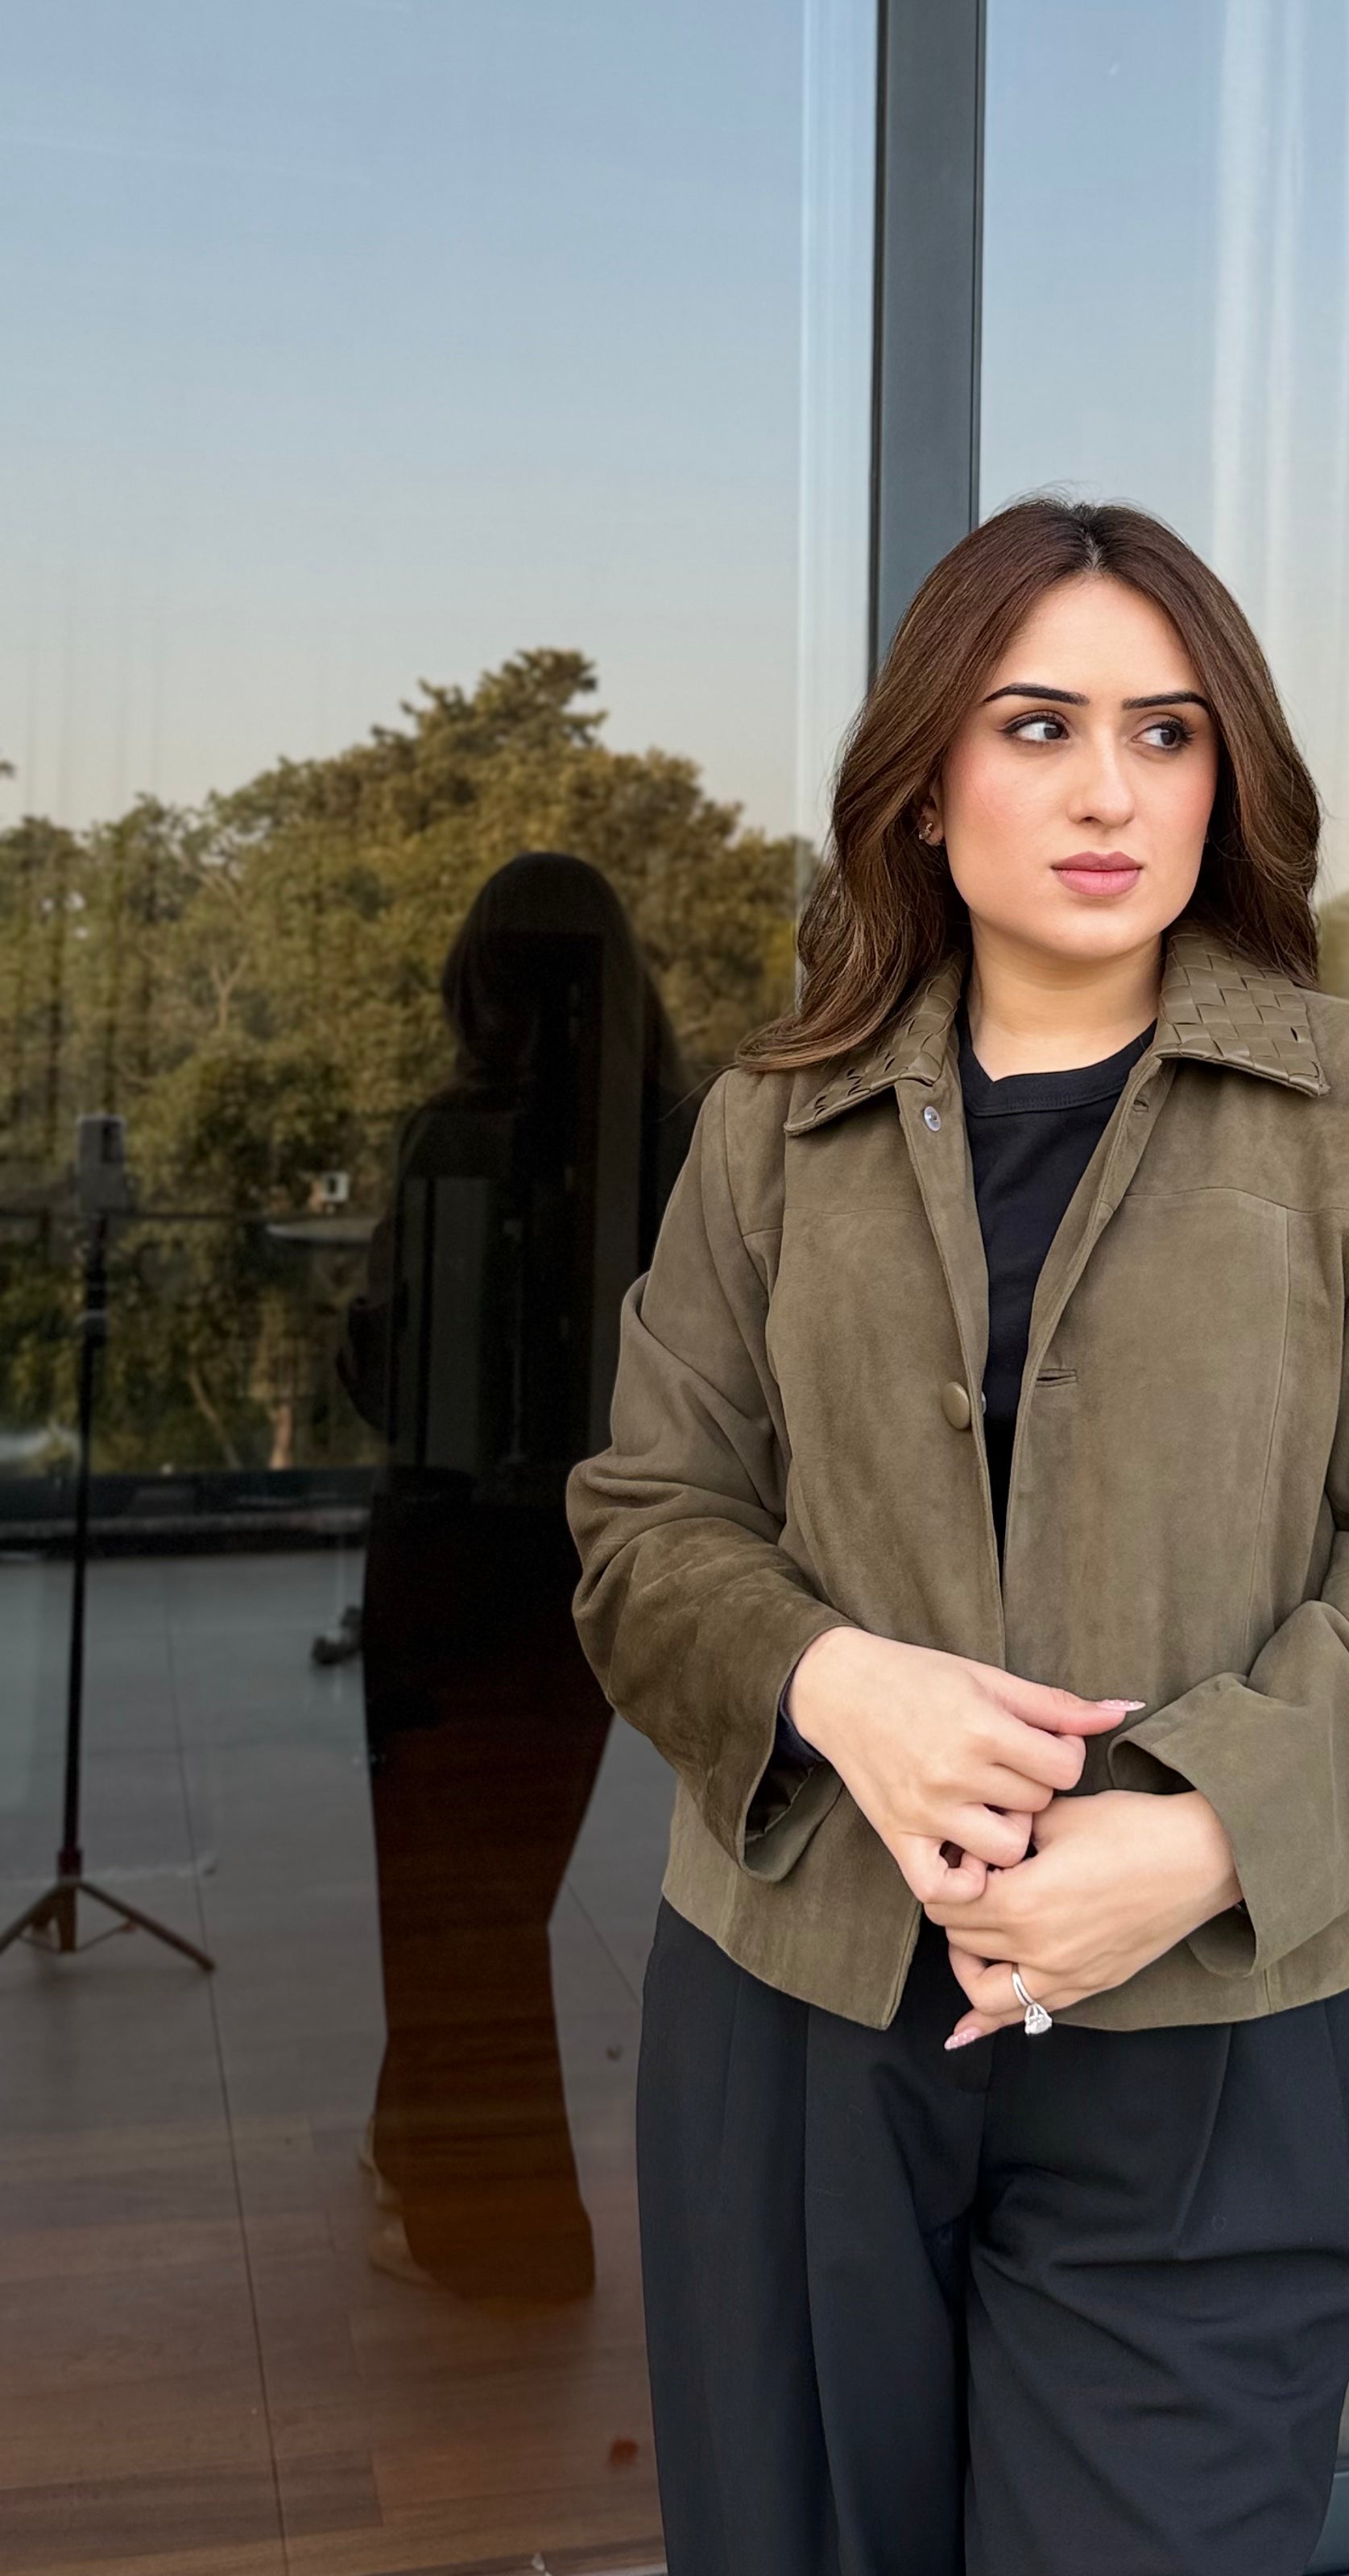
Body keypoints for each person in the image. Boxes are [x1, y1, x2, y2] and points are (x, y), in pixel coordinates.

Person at [566, 498, 1349, 2571]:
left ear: (1228, 780)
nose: (1110, 790)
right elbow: (645, 1527)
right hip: (796, 2014)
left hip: (1206, 2048)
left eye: (1167, 732)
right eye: (1038, 726)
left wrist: (1202, 1838)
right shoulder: (772, 1120)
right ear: (927, 786)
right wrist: (833, 1682)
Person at [341, 850, 694, 2303]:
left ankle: (505, 2243)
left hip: (452, 1560)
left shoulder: (457, 1143)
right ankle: (419, 2149)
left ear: (482, 989)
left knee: (448, 1899)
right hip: (598, 1558)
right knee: (493, 1890)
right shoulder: (684, 1145)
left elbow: (393, 1379)